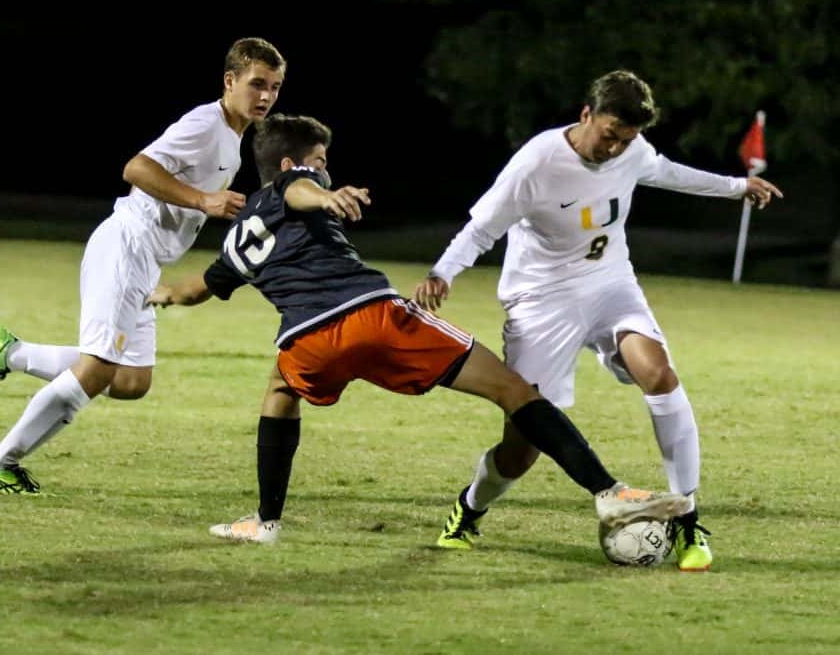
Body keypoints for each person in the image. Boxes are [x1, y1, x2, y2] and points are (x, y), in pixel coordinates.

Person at [150, 113, 689, 546]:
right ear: (290, 164)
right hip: (373, 316)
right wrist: (324, 194)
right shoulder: (297, 184)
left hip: (307, 342)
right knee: (514, 389)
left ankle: (266, 521)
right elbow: (299, 191)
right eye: (321, 162)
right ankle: (608, 492)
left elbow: (196, 289)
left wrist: (159, 293)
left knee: (279, 389)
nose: (325, 171)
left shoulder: (237, 236)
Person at [413, 70, 783, 572]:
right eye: (610, 135)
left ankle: (686, 519)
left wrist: (738, 186)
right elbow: (481, 229)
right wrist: (443, 272)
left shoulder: (631, 149)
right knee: (522, 449)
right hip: (541, 301)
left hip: (610, 285)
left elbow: (667, 172)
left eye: (625, 140)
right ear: (586, 114)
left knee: (660, 374)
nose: (615, 149)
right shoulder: (537, 163)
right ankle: (470, 507)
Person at [0, 37, 286, 493]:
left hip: (145, 262)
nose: (266, 95)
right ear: (230, 81)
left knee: (132, 380)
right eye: (257, 84)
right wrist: (202, 200)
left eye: (274, 87)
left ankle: (10, 353)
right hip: (127, 248)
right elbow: (136, 168)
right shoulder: (205, 124)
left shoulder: (231, 136)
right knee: (97, 371)